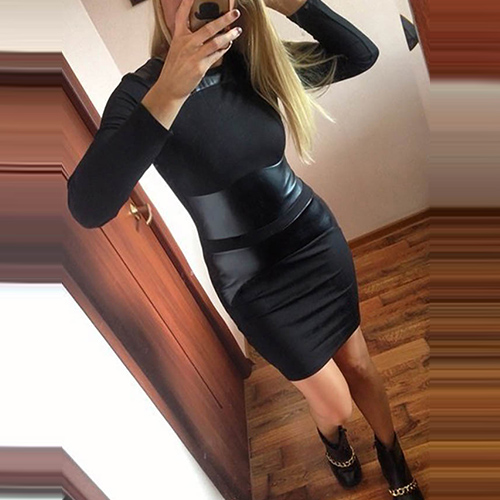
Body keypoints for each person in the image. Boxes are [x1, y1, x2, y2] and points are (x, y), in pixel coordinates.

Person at [67, 0, 424, 497]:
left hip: (314, 242)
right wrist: (172, 88)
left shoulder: (252, 60)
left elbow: (360, 55)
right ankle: (332, 436)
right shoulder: (140, 93)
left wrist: (286, 3)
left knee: (360, 364)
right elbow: (89, 205)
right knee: (335, 402)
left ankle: (393, 457)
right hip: (252, 284)